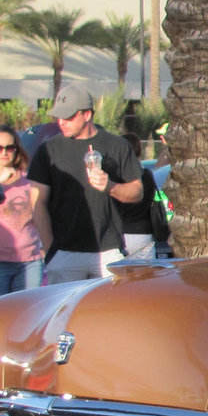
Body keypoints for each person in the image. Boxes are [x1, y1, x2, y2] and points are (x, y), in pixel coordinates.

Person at [26, 83, 143, 283]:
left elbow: (137, 192)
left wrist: (111, 186)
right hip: (64, 252)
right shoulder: (49, 150)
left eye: (69, 117)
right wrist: (51, 252)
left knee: (109, 312)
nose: (62, 122)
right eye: (59, 116)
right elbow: (37, 202)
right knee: (66, 313)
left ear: (87, 115)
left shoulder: (116, 145)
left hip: (108, 251)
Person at [0, 125, 50, 297]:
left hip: (30, 259)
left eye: (10, 148)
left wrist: (46, 248)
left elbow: (40, 212)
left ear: (16, 149)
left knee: (27, 310)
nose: (4, 153)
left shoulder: (28, 179)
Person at [116, 132, 168, 260]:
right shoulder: (146, 175)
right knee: (145, 275)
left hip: (120, 233)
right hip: (143, 233)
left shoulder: (115, 178)